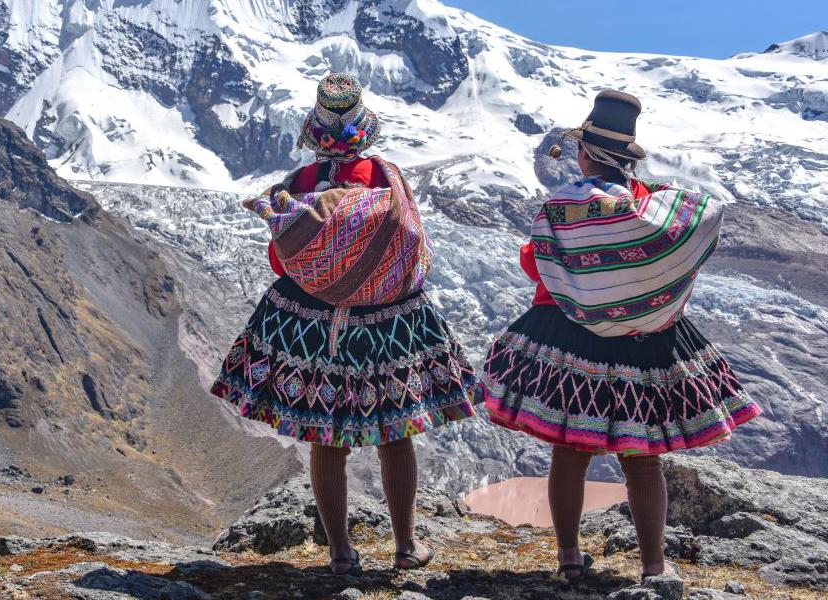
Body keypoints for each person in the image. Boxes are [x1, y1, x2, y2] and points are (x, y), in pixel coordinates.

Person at [478, 90, 762, 582]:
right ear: (627, 157)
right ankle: (654, 564)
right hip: (643, 345)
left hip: (569, 343)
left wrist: (586, 280)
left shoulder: (562, 208)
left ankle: (569, 557)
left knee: (569, 450)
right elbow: (692, 240)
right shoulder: (655, 207)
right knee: (642, 458)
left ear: (585, 153)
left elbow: (534, 263)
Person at [210, 73, 477, 575]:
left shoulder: (298, 188)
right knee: (395, 434)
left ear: (316, 133)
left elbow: (279, 258)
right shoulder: (387, 178)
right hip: (387, 321)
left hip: (310, 320)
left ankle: (339, 554)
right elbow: (412, 246)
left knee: (325, 435)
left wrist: (325, 267)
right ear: (364, 130)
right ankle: (404, 547)